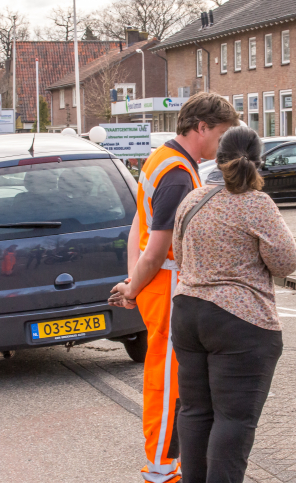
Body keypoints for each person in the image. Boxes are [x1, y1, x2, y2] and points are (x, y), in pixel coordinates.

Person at [110, 92, 239, 483]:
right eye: (220, 134)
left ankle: (166, 463)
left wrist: (133, 281)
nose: (222, 144)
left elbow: (139, 224)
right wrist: (133, 287)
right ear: (201, 127)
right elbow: (157, 249)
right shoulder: (179, 174)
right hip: (168, 286)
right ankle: (162, 468)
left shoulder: (160, 159)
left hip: (157, 285)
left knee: (166, 375)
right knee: (169, 382)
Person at [170, 126, 296, 483]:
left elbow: (180, 256)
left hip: (187, 314)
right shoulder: (257, 204)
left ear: (218, 158)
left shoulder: (192, 199)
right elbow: (287, 262)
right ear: (258, 162)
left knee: (194, 412)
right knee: (234, 419)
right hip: (240, 321)